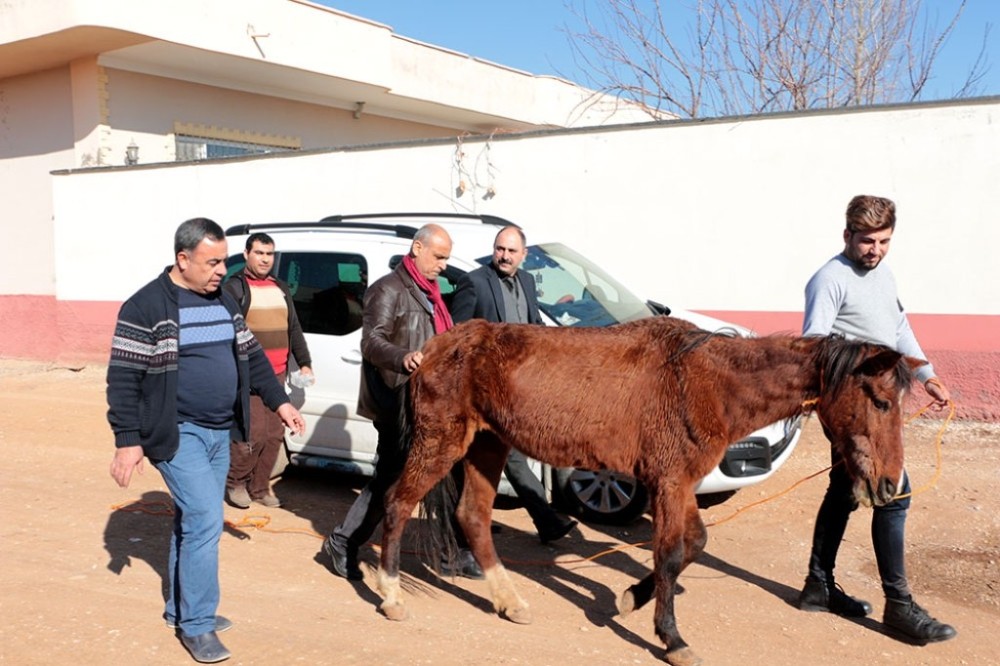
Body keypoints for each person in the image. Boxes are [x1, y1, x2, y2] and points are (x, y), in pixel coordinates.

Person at [107, 218, 306, 664]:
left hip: (221, 432)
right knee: (204, 520)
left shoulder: (224, 302)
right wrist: (127, 440)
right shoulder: (146, 307)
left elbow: (253, 357)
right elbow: (123, 379)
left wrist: (280, 402)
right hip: (177, 433)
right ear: (183, 259)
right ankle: (197, 625)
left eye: (223, 261)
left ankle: (181, 609)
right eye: (212, 262)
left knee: (192, 522)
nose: (221, 270)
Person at [796, 194, 956, 643]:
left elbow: (898, 326)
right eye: (867, 241)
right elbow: (815, 345)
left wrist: (927, 374)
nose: (876, 250)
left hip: (884, 400)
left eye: (884, 241)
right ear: (847, 235)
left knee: (844, 491)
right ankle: (899, 607)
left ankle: (817, 587)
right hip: (855, 408)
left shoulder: (883, 274)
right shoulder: (829, 279)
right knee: (893, 493)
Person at [322, 224, 482, 581]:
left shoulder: (432, 293)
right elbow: (371, 342)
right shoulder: (387, 289)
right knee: (392, 480)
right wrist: (402, 357)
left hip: (432, 404)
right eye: (438, 257)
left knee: (448, 472)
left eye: (446, 258)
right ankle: (343, 542)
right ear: (417, 248)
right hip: (398, 402)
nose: (443, 265)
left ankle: (452, 552)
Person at [450, 225, 578, 544]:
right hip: (482, 393)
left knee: (496, 458)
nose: (504, 256)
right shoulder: (475, 282)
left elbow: (534, 327)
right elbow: (456, 336)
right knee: (500, 455)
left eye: (510, 251)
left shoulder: (527, 281)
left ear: (524, 255)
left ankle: (485, 520)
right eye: (499, 249)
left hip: (518, 391)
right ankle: (542, 520)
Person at [222, 232, 313, 509]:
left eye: (269, 254)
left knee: (274, 435)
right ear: (247, 254)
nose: (264, 259)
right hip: (248, 376)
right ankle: (236, 483)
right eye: (259, 253)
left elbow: (293, 327)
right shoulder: (234, 289)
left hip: (276, 376)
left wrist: (305, 361)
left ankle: (259, 488)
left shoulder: (281, 288)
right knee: (253, 433)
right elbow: (227, 334)